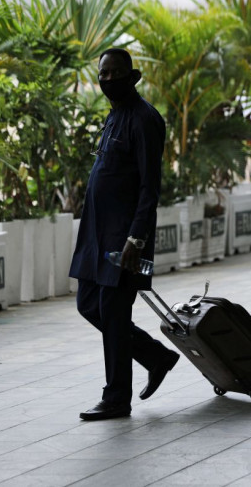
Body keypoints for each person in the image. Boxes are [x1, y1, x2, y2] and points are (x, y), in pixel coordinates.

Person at [69, 48, 179, 421]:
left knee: (113, 315)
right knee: (89, 306)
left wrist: (137, 238)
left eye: (116, 72)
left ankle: (116, 398)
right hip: (96, 235)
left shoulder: (145, 119)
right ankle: (156, 357)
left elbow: (150, 186)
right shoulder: (115, 115)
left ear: (133, 76)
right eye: (103, 73)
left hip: (124, 240)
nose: (109, 79)